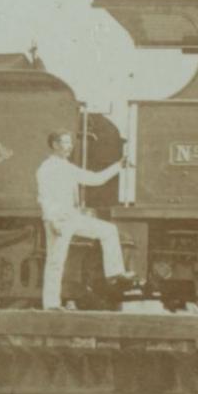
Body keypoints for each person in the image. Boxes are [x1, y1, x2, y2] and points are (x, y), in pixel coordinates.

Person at [36, 130, 127, 310]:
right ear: (55, 145)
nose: (70, 146)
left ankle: (114, 273)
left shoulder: (67, 167)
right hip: (58, 219)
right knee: (56, 261)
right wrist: (52, 220)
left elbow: (95, 179)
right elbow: (44, 197)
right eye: (66, 142)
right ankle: (51, 304)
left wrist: (118, 165)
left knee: (108, 230)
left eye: (70, 143)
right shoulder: (46, 169)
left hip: (72, 217)